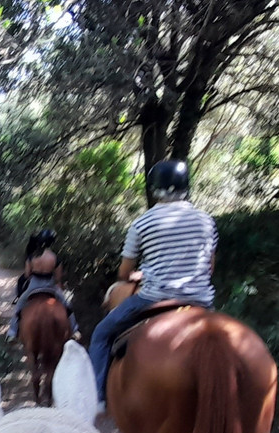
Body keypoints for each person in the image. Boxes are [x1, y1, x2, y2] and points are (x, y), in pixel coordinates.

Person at [89, 159, 217, 406]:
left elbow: (124, 273)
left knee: (101, 335)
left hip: (153, 297)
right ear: (185, 186)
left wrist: (138, 275)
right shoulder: (206, 220)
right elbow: (209, 268)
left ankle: (98, 400)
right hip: (201, 300)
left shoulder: (142, 223)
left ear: (154, 188)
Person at [6, 228, 79, 341]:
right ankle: (75, 330)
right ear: (51, 242)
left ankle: (12, 332)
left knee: (19, 305)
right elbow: (58, 279)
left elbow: (27, 275)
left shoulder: (32, 257)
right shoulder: (55, 258)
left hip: (33, 286)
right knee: (67, 305)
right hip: (50, 286)